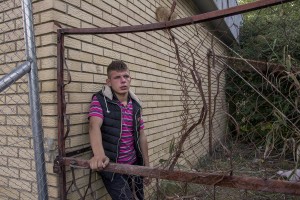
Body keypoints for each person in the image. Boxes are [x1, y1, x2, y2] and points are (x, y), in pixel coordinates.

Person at [88, 60, 150, 200]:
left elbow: (142, 135)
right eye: (117, 77)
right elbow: (94, 126)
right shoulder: (100, 100)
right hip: (112, 167)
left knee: (139, 197)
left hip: (134, 165)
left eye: (126, 77)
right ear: (108, 82)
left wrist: (146, 166)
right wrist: (99, 155)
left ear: (130, 79)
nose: (123, 81)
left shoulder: (136, 105)